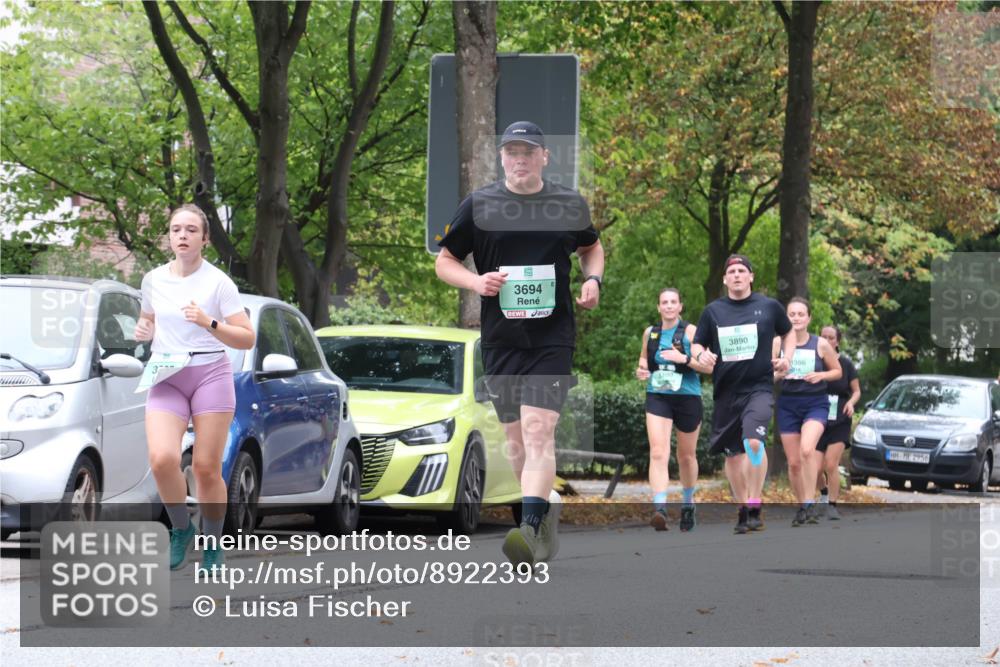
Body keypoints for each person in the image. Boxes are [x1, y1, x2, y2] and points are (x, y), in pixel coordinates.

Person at [435, 121, 604, 565]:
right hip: (501, 339)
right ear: (501, 157)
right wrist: (476, 281)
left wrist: (593, 280)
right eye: (511, 151)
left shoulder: (568, 203)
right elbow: (445, 260)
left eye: (528, 151)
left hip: (552, 337)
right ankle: (542, 515)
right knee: (515, 441)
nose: (519, 158)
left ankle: (527, 529)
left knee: (537, 428)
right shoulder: (481, 204)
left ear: (545, 157)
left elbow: (592, 246)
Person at [134, 204, 255, 572]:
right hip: (167, 374)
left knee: (204, 467)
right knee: (162, 459)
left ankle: (213, 543)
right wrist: (144, 331)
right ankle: (181, 530)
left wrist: (210, 322)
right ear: (169, 237)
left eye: (190, 230)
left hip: (209, 374)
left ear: (205, 238)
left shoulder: (219, 283)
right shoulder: (153, 279)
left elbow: (247, 339)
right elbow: (148, 319)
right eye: (176, 229)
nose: (182, 235)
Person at [690, 255, 796, 535]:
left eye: (742, 271)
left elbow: (789, 333)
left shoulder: (768, 306)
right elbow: (697, 343)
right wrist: (701, 354)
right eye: (731, 272)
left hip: (759, 388)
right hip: (726, 392)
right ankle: (741, 509)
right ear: (725, 279)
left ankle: (754, 500)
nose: (736, 275)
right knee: (734, 456)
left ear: (751, 277)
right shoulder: (713, 311)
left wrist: (787, 358)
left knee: (754, 443)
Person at [635, 288, 710, 532]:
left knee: (686, 457)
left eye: (673, 302)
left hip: (688, 397)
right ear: (658, 307)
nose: (668, 306)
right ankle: (660, 508)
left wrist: (684, 359)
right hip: (658, 396)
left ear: (680, 306)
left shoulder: (691, 332)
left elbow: (709, 367)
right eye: (664, 302)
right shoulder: (651, 333)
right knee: (658, 452)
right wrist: (642, 370)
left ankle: (688, 503)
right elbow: (644, 361)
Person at [773, 298, 842, 526]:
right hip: (788, 404)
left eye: (801, 314)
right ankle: (803, 505)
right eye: (791, 314)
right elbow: (767, 374)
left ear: (809, 318)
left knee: (807, 450)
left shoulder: (820, 344)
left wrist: (821, 375)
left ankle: (811, 503)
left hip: (815, 403)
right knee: (793, 463)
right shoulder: (777, 343)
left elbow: (838, 372)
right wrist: (777, 375)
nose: (796, 318)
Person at [815, 324, 861, 520]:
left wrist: (851, 403)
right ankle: (823, 494)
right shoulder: (814, 361)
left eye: (831, 337)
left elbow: (856, 391)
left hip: (840, 417)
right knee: (815, 468)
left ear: (837, 341)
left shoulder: (846, 364)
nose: (826, 339)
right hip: (816, 417)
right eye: (823, 336)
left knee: (831, 464)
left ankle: (832, 505)